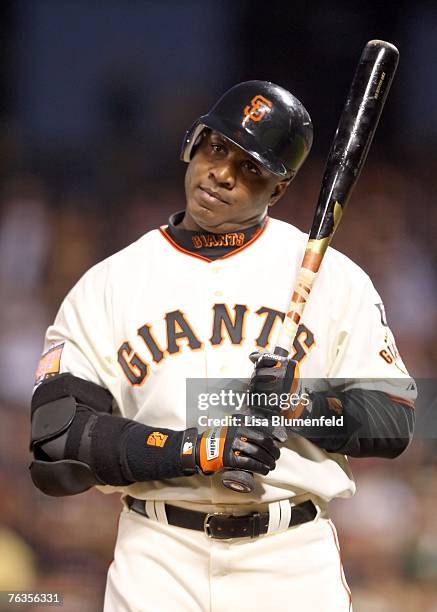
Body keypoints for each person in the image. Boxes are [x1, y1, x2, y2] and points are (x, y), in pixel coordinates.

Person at [29, 81, 415, 612]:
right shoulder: (110, 283)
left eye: (252, 167)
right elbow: (55, 444)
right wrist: (196, 448)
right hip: (157, 558)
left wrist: (298, 405)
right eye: (217, 149)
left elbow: (396, 420)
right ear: (193, 143)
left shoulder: (335, 279)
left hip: (290, 558)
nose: (223, 174)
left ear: (278, 190)